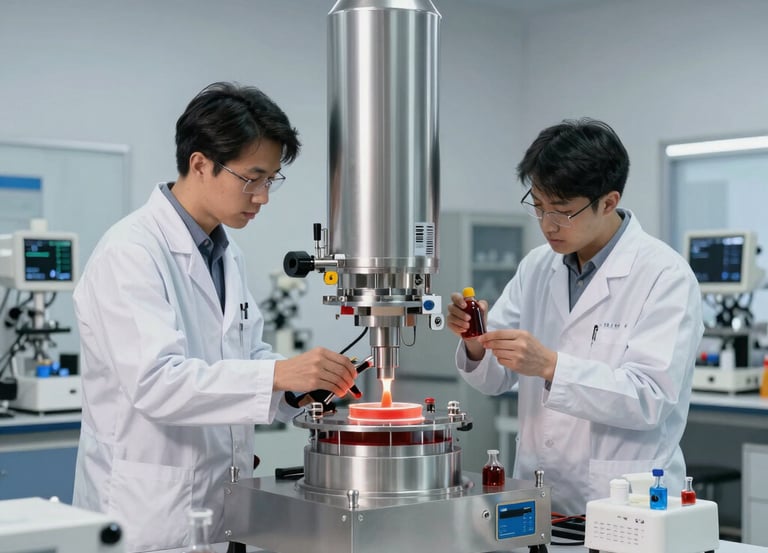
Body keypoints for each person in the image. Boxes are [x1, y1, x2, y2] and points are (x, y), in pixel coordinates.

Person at [71, 82, 358, 552]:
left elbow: (243, 353)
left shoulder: (226, 254)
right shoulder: (130, 252)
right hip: (146, 518)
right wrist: (277, 373)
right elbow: (157, 383)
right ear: (200, 163)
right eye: (252, 178)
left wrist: (297, 385)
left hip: (217, 508)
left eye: (271, 180)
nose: (263, 196)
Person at [447, 118, 703, 515]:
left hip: (624, 499)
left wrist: (551, 366)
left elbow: (650, 398)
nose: (548, 225)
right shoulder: (536, 267)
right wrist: (476, 343)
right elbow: (495, 379)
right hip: (539, 492)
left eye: (563, 212)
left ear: (609, 201)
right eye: (538, 206)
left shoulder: (664, 275)